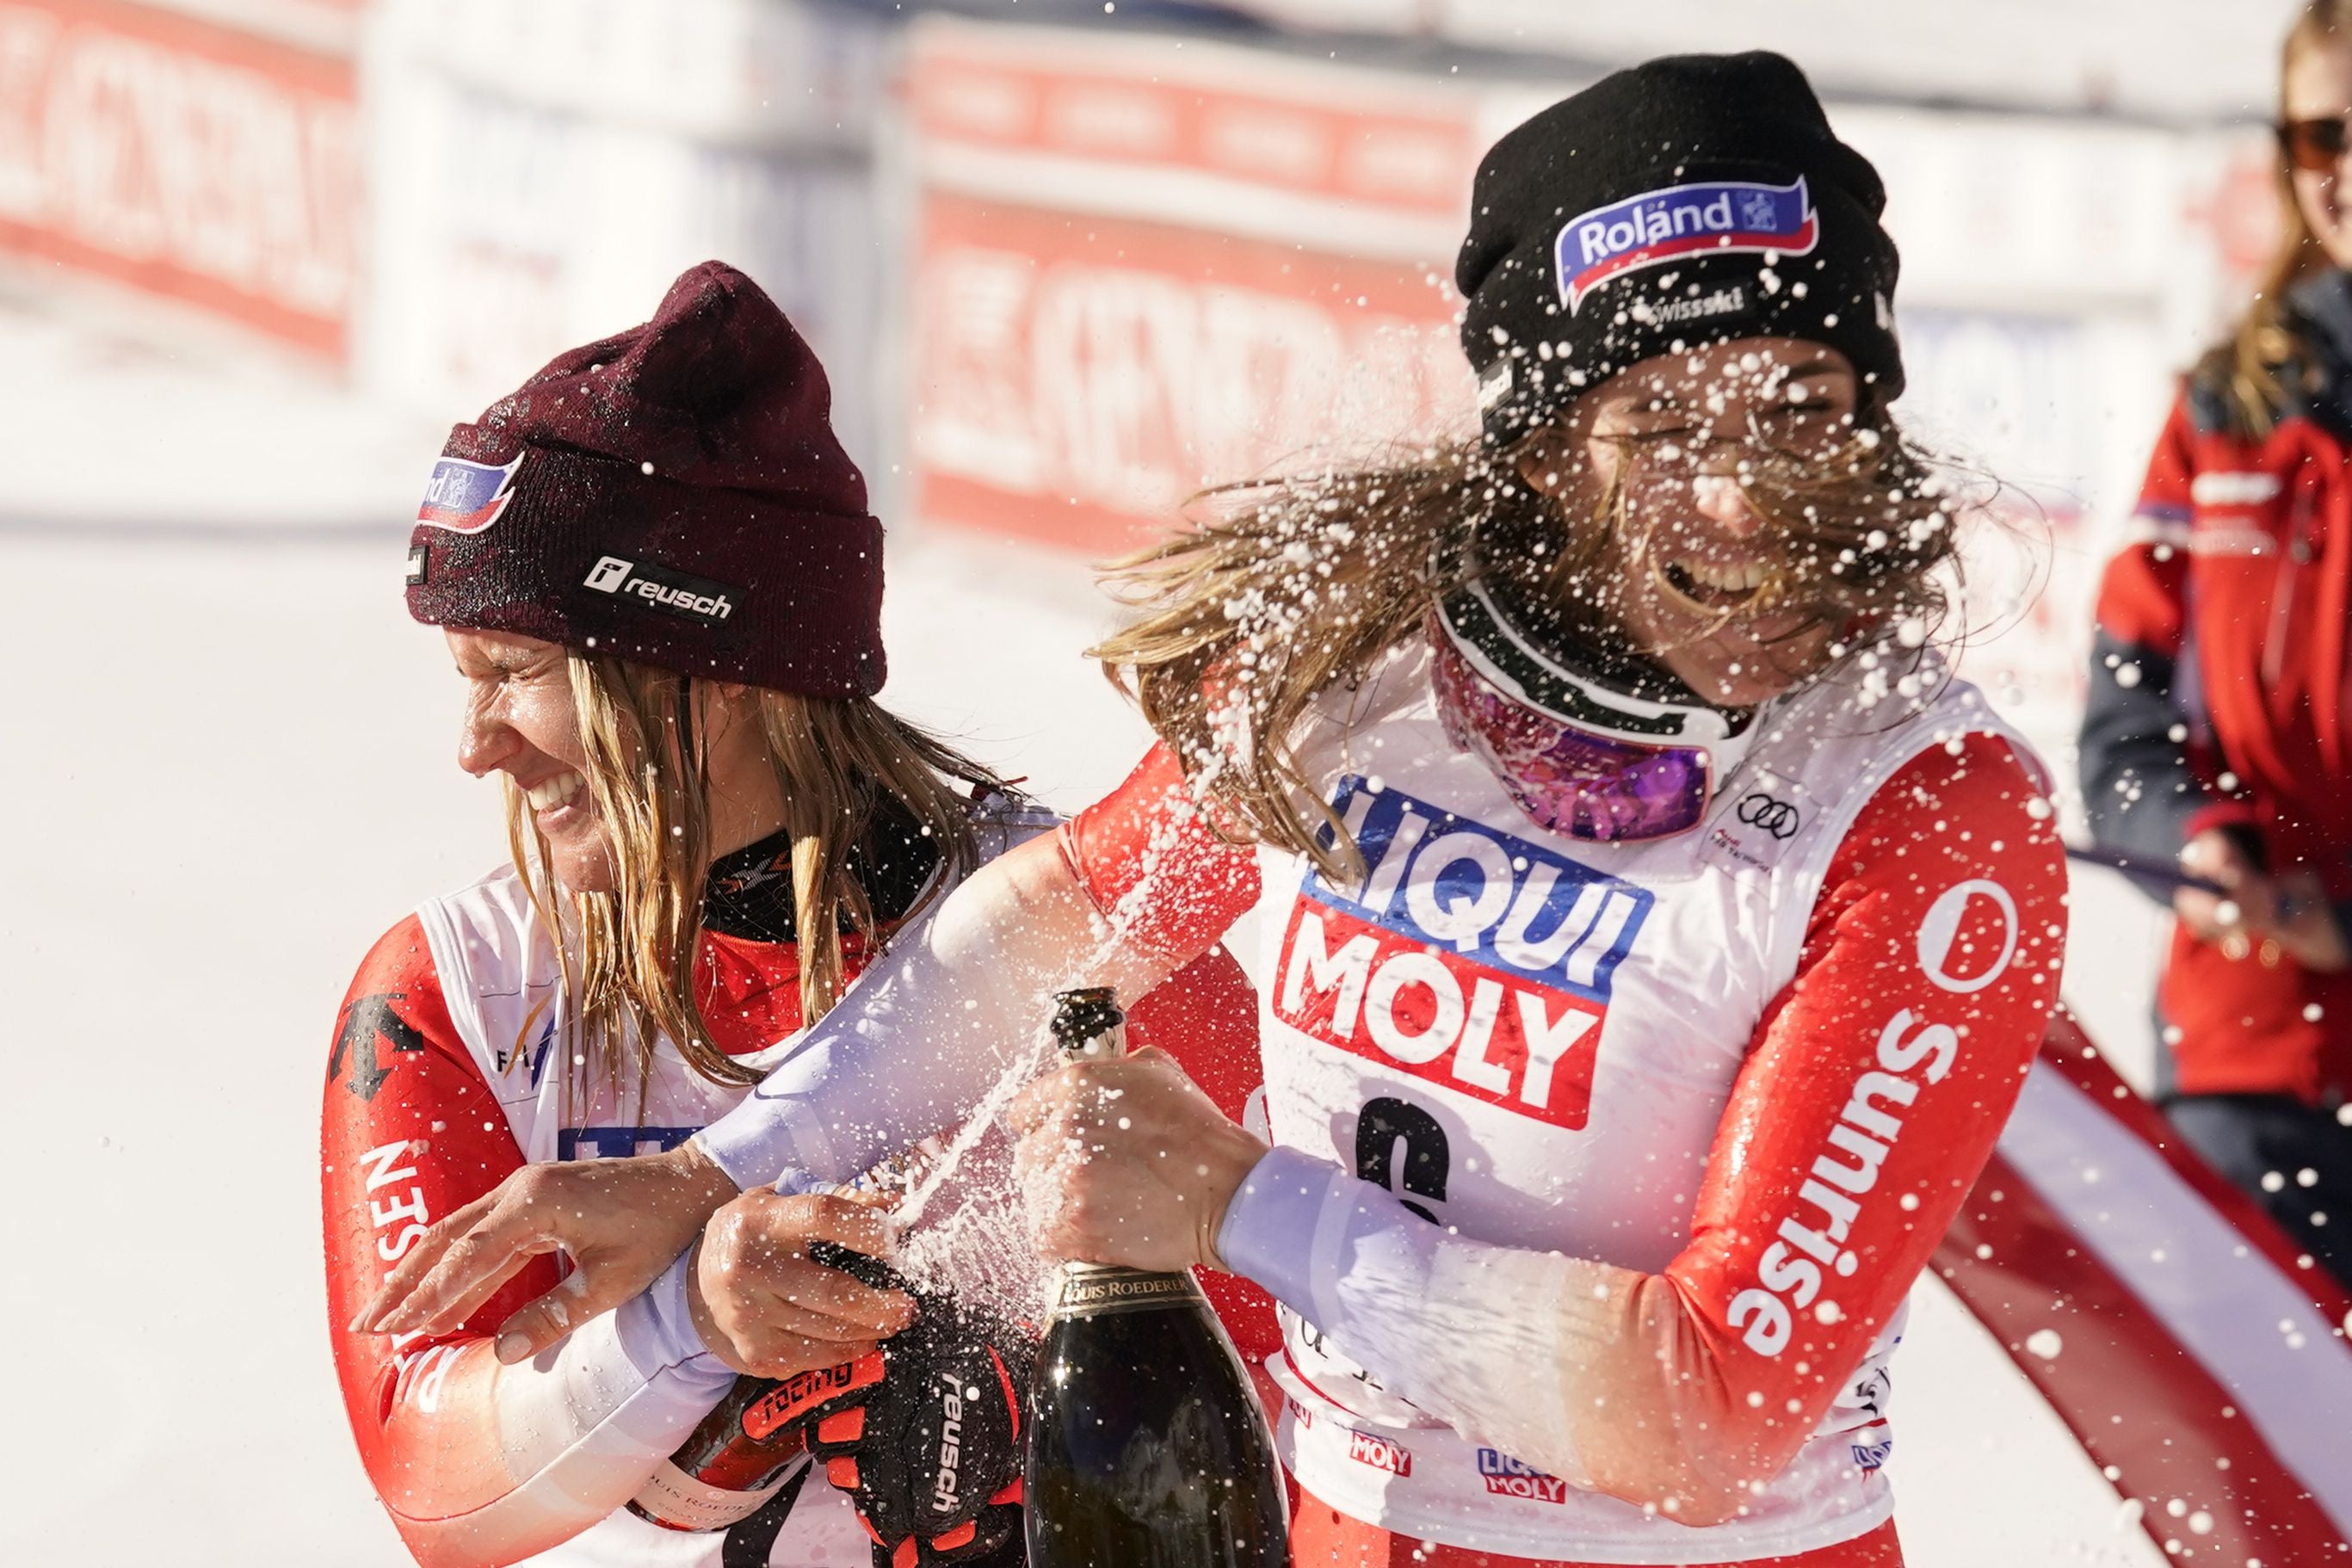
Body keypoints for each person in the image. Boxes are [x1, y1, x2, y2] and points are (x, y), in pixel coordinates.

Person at [361, 57, 2068, 1567]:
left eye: (1805, 408)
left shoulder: (1923, 800)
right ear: (1542, 448)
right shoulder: (1374, 664)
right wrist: (712, 1168)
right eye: (1658, 419)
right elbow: (1064, 918)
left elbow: (1717, 1406)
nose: (1746, 491)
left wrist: (1241, 1200)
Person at [322, 261, 1264, 1568]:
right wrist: (697, 1331)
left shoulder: (1106, 956)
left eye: (519, 673)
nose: (477, 747)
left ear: (715, 670)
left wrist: (1042, 1408)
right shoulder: (456, 988)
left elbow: (1287, 1418)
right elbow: (435, 1485)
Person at [2078, 0, 2352, 1292]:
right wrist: (2197, 841)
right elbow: (2123, 719)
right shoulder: (2226, 404)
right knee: (2260, 1488)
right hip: (2241, 1061)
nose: (2345, 167)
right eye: (2320, 131)